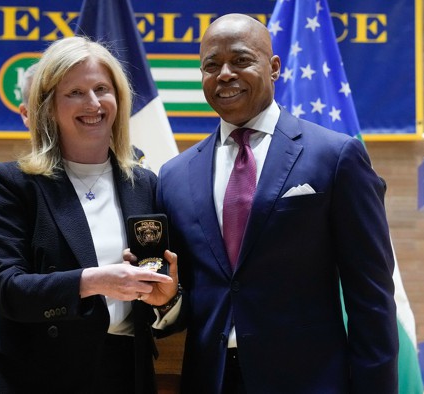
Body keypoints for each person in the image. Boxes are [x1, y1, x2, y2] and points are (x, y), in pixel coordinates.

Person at [155, 14, 398, 393]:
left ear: (274, 68)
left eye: (240, 61)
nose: (224, 74)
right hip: (211, 380)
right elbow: (190, 291)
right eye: (210, 65)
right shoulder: (174, 175)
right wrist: (166, 302)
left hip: (310, 381)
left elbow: (371, 297)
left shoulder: (335, 157)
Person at [0, 36, 179, 393]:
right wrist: (92, 281)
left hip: (120, 371)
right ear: (48, 107)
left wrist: (165, 298)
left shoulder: (147, 185)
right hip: (28, 373)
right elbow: (5, 288)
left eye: (102, 88)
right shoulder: (14, 183)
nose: (92, 103)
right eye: (74, 92)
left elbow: (165, 291)